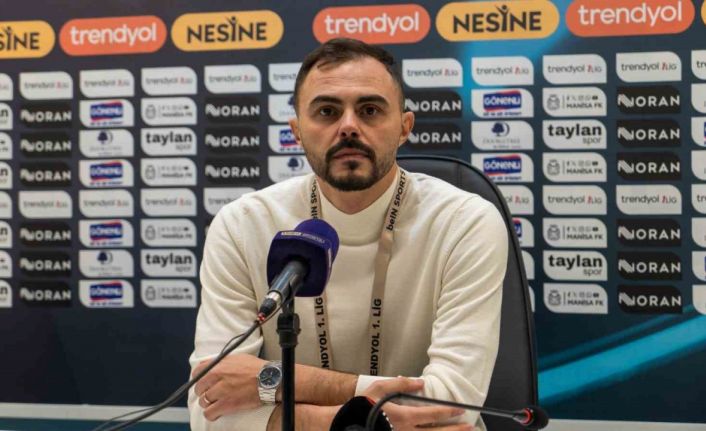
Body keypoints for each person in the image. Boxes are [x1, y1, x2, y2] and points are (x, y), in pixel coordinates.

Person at [188, 38, 507, 431]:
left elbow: (450, 404)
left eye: (370, 110)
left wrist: (276, 383)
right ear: (297, 132)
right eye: (327, 111)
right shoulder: (242, 225)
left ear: (404, 127)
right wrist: (349, 418)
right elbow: (209, 409)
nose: (349, 127)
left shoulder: (464, 221)